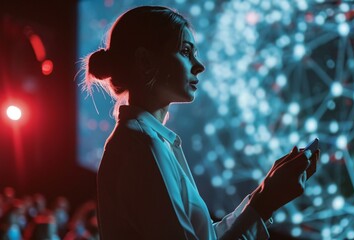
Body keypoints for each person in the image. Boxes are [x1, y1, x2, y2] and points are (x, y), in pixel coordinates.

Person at [82, 5, 320, 240]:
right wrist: (266, 199)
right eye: (185, 52)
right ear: (145, 61)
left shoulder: (148, 142)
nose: (200, 65)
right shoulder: (142, 145)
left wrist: (264, 195)